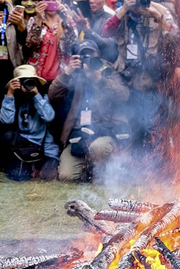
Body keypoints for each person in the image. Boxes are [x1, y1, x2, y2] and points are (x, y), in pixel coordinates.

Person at [101, 0, 178, 147]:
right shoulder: (121, 13)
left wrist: (157, 17)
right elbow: (105, 32)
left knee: (152, 125)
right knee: (132, 124)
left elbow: (175, 37)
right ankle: (135, 160)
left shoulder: (160, 10)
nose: (137, 1)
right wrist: (123, 10)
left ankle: (155, 161)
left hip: (152, 78)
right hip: (128, 77)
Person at [49, 39, 129, 182]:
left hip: (105, 131)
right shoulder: (73, 74)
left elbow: (124, 96)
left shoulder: (107, 71)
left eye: (91, 55)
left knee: (98, 147)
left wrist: (100, 79)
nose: (88, 59)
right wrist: (67, 73)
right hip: (79, 134)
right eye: (83, 55)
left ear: (98, 54)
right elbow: (53, 96)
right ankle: (89, 169)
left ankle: (100, 170)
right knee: (67, 176)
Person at [0, 65, 59, 181]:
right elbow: (6, 120)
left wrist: (36, 95)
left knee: (48, 176)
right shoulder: (12, 99)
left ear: (36, 81)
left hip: (44, 146)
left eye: (31, 80)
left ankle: (36, 168)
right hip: (21, 147)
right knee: (19, 176)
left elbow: (49, 117)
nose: (27, 84)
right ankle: (29, 168)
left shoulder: (42, 97)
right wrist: (10, 94)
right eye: (23, 81)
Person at [26, 0, 77, 83]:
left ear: (61, 1)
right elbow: (31, 45)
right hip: (37, 75)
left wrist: (65, 20)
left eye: (54, 0)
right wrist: (39, 19)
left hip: (61, 76)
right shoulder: (34, 20)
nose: (50, 3)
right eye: (47, 0)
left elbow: (72, 43)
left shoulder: (68, 20)